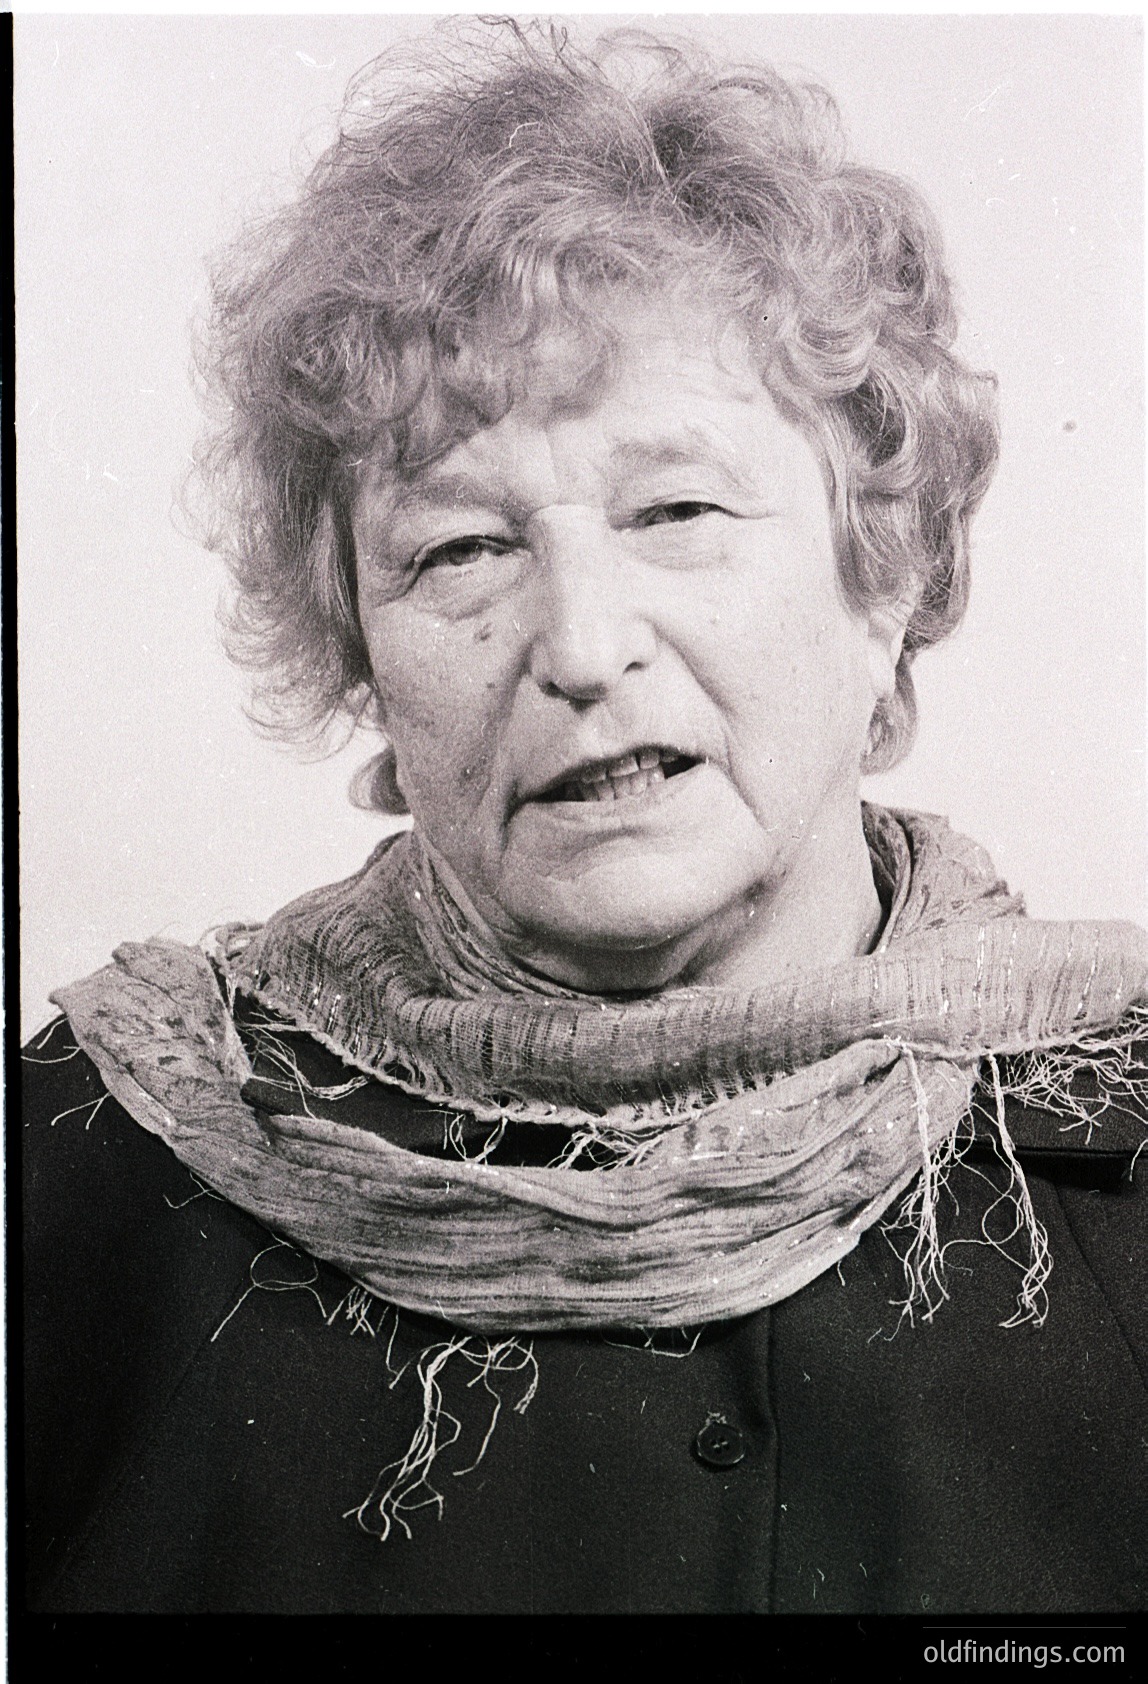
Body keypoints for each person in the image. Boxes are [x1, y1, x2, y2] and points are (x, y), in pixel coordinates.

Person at [23, 21, 1147, 1615]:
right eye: (461, 551)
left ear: (880, 580)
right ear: (362, 663)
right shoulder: (72, 1194)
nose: (577, 647)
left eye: (677, 510)